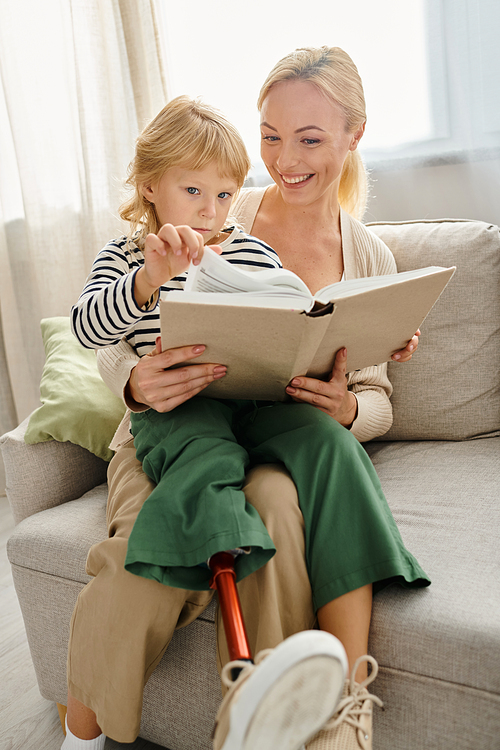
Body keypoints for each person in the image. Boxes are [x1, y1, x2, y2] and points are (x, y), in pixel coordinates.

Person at [65, 46, 429, 750]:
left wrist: (356, 390)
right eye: (270, 135)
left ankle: (317, 715)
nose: (283, 160)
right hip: (176, 424)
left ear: (355, 136)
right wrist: (137, 383)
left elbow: (373, 395)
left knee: (295, 494)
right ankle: (88, 725)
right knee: (187, 545)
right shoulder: (195, 219)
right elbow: (105, 335)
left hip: (277, 426)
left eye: (310, 139)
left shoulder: (346, 251)